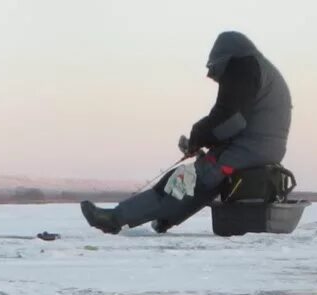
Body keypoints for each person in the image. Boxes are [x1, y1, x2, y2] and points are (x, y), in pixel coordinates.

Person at [80, 31, 292, 234]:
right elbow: (238, 120)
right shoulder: (260, 67)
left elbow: (229, 118)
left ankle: (115, 218)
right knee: (207, 179)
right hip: (261, 149)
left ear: (222, 60)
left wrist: (198, 135)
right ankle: (164, 220)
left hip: (249, 149)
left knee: (184, 178)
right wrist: (203, 141)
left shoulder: (241, 65)